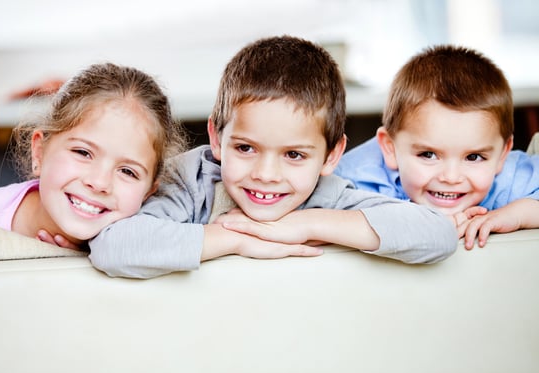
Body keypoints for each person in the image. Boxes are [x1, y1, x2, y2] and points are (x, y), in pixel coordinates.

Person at [89, 35, 458, 279]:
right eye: (245, 148)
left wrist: (306, 225)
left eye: (294, 155)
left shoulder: (327, 196)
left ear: (331, 156)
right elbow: (113, 246)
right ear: (217, 139)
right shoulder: (192, 181)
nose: (266, 174)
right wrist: (233, 239)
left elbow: (437, 233)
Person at [0, 62, 186, 250]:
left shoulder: (146, 236)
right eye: (83, 152)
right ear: (39, 152)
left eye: (127, 171)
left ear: (148, 192)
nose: (99, 183)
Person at [334, 45, 539, 250]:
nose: (451, 177)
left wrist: (518, 214)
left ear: (502, 155)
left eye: (474, 157)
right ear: (390, 148)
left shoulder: (509, 178)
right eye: (428, 154)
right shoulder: (354, 180)